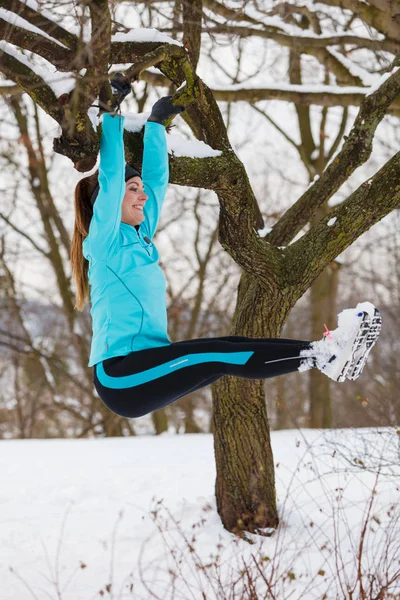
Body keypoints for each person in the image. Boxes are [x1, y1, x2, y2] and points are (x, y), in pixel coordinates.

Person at [70, 87, 382, 419]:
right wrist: (110, 112)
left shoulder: (141, 236)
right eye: (133, 190)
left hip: (146, 364)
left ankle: (326, 352)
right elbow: (113, 175)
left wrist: (157, 125)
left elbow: (157, 180)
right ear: (108, 199)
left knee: (229, 346)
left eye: (140, 190)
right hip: (121, 376)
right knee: (219, 355)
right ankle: (326, 356)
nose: (143, 196)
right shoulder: (104, 244)